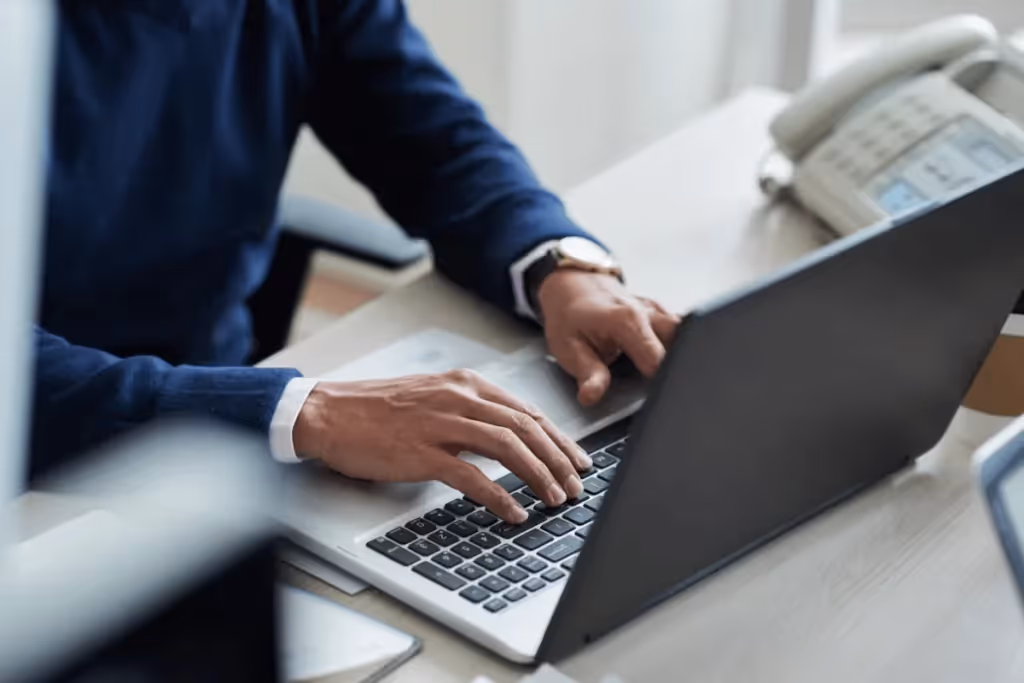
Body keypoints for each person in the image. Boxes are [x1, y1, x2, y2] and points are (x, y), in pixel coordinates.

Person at [34, 0, 678, 523]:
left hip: (219, 414)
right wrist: (303, 412)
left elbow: (434, 140)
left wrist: (559, 267)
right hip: (48, 458)